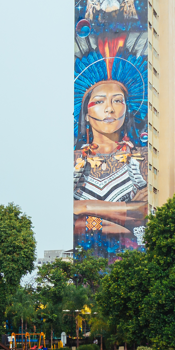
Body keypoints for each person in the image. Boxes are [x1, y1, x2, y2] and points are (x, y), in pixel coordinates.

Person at [73, 76, 147, 247]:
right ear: (85, 114)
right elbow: (73, 219)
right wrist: (126, 211)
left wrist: (84, 208)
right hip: (87, 260)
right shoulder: (76, 159)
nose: (109, 109)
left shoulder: (141, 157)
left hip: (132, 257)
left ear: (126, 110)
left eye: (117, 101)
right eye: (99, 102)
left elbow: (142, 213)